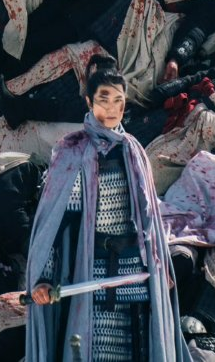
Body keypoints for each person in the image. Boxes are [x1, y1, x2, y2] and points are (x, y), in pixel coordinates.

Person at [24, 55, 191, 361]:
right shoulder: (72, 151)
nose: (112, 109)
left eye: (118, 101)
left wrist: (160, 266)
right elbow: (55, 223)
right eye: (104, 100)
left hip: (136, 277)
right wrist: (44, 279)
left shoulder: (134, 150)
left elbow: (149, 219)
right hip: (89, 276)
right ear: (89, 102)